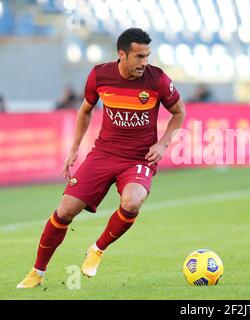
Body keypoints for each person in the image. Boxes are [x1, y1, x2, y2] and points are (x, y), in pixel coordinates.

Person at [17, 28, 186, 288]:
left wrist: (163, 144)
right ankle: (37, 272)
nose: (145, 62)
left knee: (132, 202)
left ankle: (97, 249)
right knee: (64, 211)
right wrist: (74, 149)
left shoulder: (158, 80)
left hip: (138, 158)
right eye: (139, 57)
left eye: (147, 56)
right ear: (122, 54)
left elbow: (179, 112)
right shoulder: (99, 75)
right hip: (104, 154)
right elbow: (85, 110)